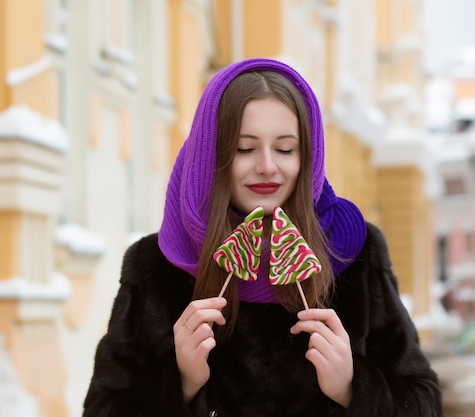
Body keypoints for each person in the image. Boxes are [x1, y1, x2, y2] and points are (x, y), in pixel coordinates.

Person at [82, 58, 442, 416]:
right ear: (212, 156)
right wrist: (180, 382)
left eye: (285, 148)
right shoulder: (157, 265)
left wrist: (352, 386)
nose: (268, 165)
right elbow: (103, 408)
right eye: (244, 148)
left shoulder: (355, 255)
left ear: (308, 157)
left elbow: (423, 402)